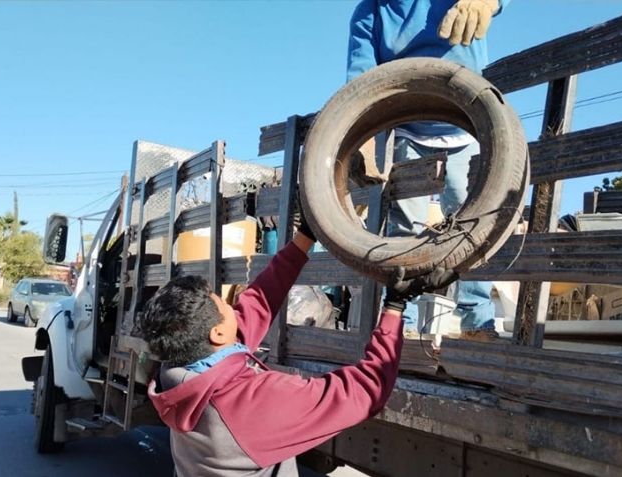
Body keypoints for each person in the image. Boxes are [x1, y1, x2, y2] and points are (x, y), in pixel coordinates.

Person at [139, 220, 424, 477]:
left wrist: (306, 236)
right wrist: (395, 307)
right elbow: (366, 390)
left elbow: (258, 303)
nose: (233, 306)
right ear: (218, 332)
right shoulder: (250, 404)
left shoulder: (177, 374)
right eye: (225, 306)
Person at [347, 0, 510, 342]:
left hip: (467, 123)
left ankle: (477, 321)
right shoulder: (371, 12)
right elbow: (359, 80)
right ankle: (399, 324)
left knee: (471, 225)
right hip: (408, 129)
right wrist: (358, 136)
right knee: (406, 229)